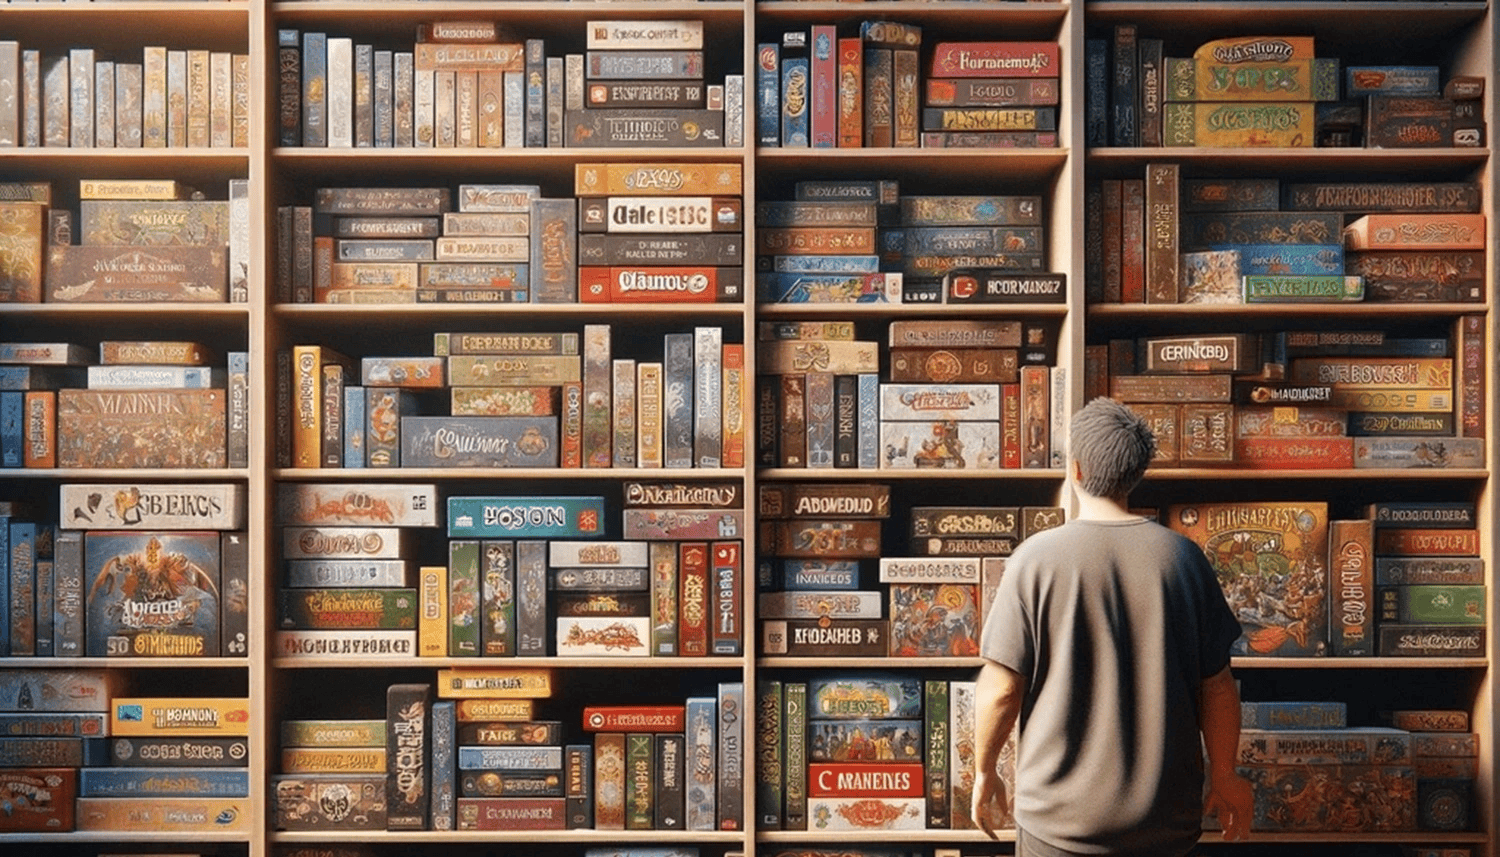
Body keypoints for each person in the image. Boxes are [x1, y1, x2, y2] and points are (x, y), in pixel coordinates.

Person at [970, 397, 1253, 855]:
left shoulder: (1035, 559)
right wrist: (1226, 775)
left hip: (1057, 827)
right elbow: (1218, 686)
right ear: (1137, 474)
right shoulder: (1183, 559)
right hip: (1165, 822)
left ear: (1076, 470)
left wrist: (984, 772)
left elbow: (1003, 689)